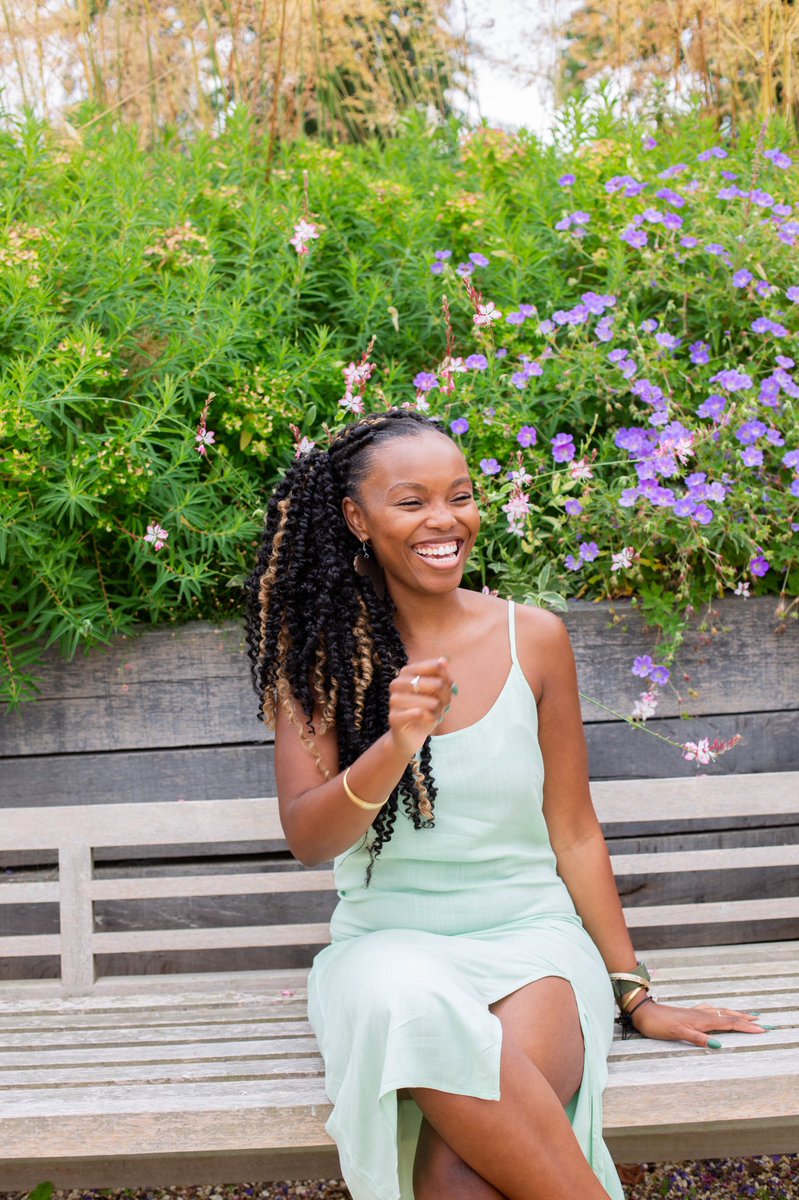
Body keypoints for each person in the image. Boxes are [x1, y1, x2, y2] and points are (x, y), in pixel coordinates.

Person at [243, 407, 766, 1200]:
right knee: (410, 1005)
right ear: (356, 519)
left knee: (462, 1162)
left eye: (460, 495)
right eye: (411, 501)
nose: (444, 520)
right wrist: (394, 744)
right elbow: (309, 840)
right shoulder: (318, 661)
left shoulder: (536, 639)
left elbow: (574, 831)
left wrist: (634, 992)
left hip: (532, 943)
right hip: (389, 947)